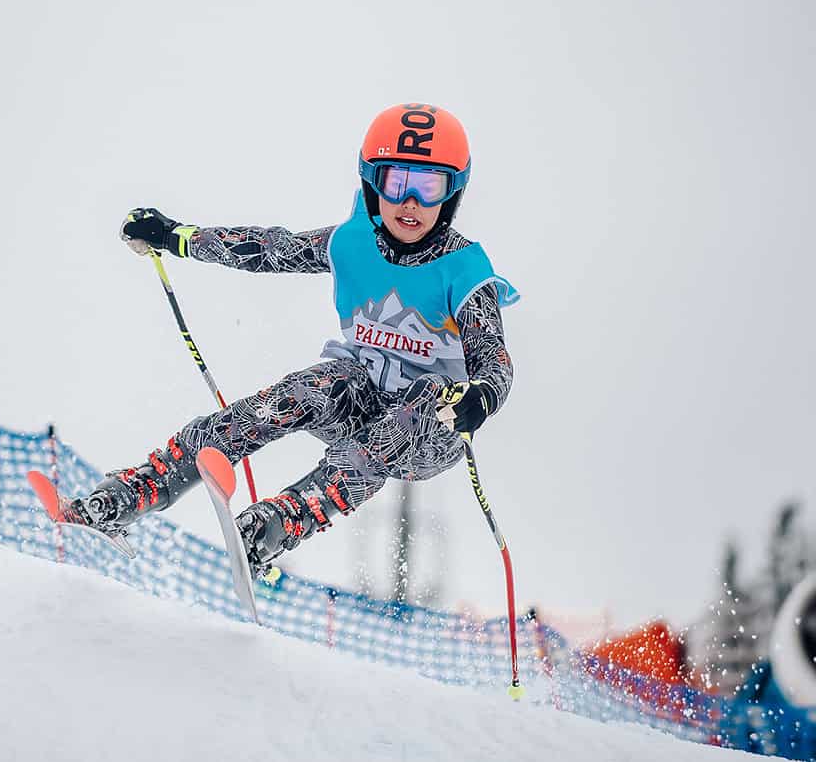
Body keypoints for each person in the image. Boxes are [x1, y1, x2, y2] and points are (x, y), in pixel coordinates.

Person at [76, 103, 519, 574]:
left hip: (429, 432)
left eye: (428, 187)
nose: (410, 203)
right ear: (373, 184)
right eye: (396, 183)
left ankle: (280, 523)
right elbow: (269, 249)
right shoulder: (352, 244)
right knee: (324, 380)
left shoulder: (464, 271)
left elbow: (495, 360)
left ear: (451, 195)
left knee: (424, 395)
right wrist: (177, 237)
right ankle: (141, 488)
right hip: (359, 401)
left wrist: (481, 398)